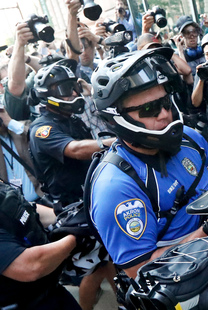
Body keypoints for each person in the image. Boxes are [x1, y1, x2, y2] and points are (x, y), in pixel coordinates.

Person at [89, 48, 208, 279]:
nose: (165, 114)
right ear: (116, 117)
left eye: (165, 101)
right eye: (149, 109)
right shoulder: (116, 188)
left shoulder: (184, 136)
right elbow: (141, 269)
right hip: (194, 286)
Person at [28, 60, 116, 310]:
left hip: (90, 200)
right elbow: (75, 149)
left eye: (74, 87)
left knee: (108, 261)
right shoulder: (42, 128)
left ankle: (124, 302)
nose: (74, 94)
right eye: (66, 89)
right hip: (72, 209)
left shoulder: (71, 119)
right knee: (93, 269)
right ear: (48, 94)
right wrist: (116, 142)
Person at [0, 181, 83, 309]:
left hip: (51, 291)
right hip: (23, 303)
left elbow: (24, 209)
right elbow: (31, 266)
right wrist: (76, 236)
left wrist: (68, 215)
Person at [0, 105, 43, 202]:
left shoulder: (20, 128)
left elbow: (40, 139)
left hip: (41, 199)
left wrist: (9, 122)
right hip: (14, 210)